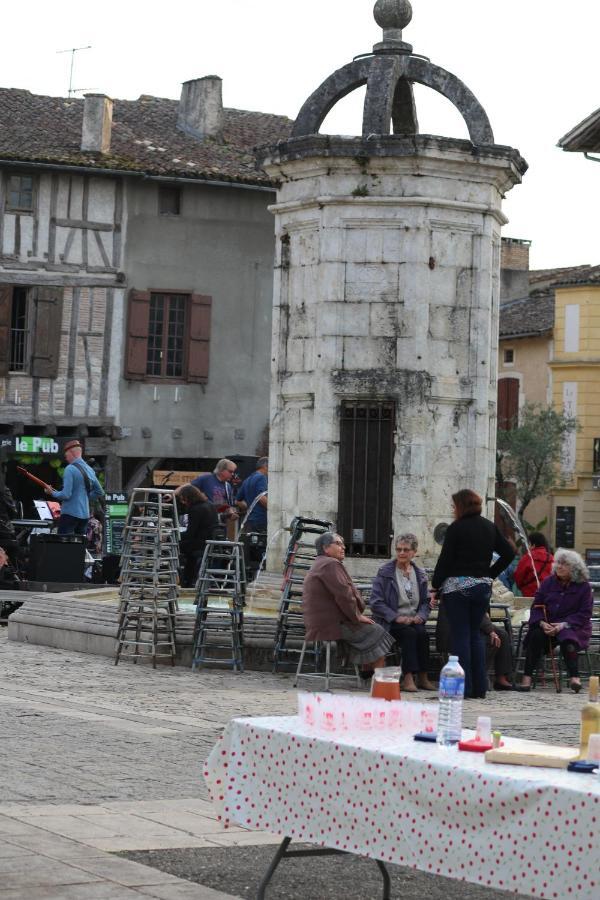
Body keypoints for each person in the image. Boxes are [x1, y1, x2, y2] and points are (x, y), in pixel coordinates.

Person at [431, 488, 515, 699]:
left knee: (460, 636)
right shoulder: (489, 526)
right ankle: (480, 687)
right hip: (481, 588)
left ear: (461, 506)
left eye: (454, 506)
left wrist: (435, 585)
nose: (452, 509)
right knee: (476, 635)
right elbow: (508, 553)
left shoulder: (456, 528)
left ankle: (464, 688)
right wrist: (489, 574)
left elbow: (445, 560)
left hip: (457, 589)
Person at [302, 532, 394, 676]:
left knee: (369, 629)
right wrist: (357, 616)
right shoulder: (330, 564)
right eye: (338, 544)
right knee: (378, 631)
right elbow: (344, 595)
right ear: (326, 548)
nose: (343, 547)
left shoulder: (319, 563)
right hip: (331, 625)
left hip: (319, 623)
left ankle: (367, 671)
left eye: (343, 543)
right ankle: (379, 681)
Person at [519, 548, 593, 693]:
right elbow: (537, 607)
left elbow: (585, 614)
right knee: (536, 635)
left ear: (574, 569)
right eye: (558, 563)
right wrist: (541, 622)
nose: (559, 566)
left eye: (564, 564)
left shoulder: (584, 587)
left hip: (573, 626)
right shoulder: (548, 582)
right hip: (548, 623)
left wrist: (562, 625)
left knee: (568, 638)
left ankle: (574, 678)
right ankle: (526, 678)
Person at [370, 533, 435, 692]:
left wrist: (421, 616)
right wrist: (396, 617)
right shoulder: (385, 572)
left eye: (406, 550)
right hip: (390, 622)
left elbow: (426, 602)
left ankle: (423, 677)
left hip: (413, 620)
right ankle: (407, 678)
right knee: (410, 634)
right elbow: (376, 602)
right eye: (398, 549)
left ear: (414, 552)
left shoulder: (419, 574)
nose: (401, 553)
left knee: (422, 634)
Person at [436, 602, 514, 691]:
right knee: (489, 640)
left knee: (502, 634)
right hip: (458, 626)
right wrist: (490, 631)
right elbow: (475, 611)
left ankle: (501, 677)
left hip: (474, 623)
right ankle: (478, 676)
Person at [45, 440, 104, 536]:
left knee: (63, 546)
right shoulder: (90, 470)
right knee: (78, 547)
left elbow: (65, 495)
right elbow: (100, 492)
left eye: (66, 455)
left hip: (69, 514)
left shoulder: (70, 469)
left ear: (72, 453)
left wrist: (52, 492)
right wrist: (84, 498)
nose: (66, 458)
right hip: (84, 516)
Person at [178, 484, 219, 587]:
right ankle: (188, 578)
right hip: (210, 542)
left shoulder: (195, 509)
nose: (183, 502)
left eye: (183, 499)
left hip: (199, 544)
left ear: (188, 497)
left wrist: (173, 535)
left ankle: (184, 578)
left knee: (175, 545)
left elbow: (190, 534)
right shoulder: (210, 505)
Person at [236, 457, 268, 580]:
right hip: (261, 519)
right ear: (266, 466)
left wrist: (249, 508)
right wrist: (275, 510)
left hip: (250, 520)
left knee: (250, 550)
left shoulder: (248, 479)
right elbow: (261, 497)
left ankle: (248, 578)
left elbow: (238, 500)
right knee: (261, 550)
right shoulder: (261, 477)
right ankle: (259, 578)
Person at [514, 532, 554, 598]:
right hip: (548, 593)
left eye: (528, 544)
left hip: (530, 593)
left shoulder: (528, 557)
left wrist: (521, 587)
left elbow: (519, 575)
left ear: (533, 545)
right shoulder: (551, 558)